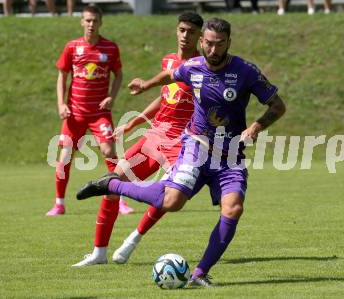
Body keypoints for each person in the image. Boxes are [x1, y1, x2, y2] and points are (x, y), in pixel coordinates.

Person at [77, 17, 286, 287]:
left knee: (233, 209)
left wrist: (256, 126)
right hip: (196, 146)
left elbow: (278, 106)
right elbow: (171, 74)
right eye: (209, 44)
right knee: (172, 202)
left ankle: (199, 274)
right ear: (203, 42)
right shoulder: (193, 66)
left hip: (230, 155)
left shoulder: (245, 71)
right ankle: (113, 185)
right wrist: (146, 85)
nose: (213, 50)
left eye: (219, 45)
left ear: (228, 43)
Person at [71, 12, 204, 267]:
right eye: (182, 30)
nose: (185, 36)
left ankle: (133, 240)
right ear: (177, 31)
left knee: (169, 193)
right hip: (153, 137)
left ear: (200, 36)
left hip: (179, 142)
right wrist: (135, 122)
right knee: (111, 182)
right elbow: (166, 96)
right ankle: (99, 253)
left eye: (191, 32)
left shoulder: (201, 67)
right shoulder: (168, 61)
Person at [46, 5, 134, 216]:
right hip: (74, 113)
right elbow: (62, 76)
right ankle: (59, 203)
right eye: (87, 20)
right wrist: (61, 103)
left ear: (100, 22)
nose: (91, 24)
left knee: (109, 152)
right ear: (81, 22)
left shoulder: (110, 48)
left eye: (95, 20)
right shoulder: (72, 47)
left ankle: (119, 199)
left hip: (99, 114)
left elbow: (119, 74)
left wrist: (111, 96)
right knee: (65, 155)